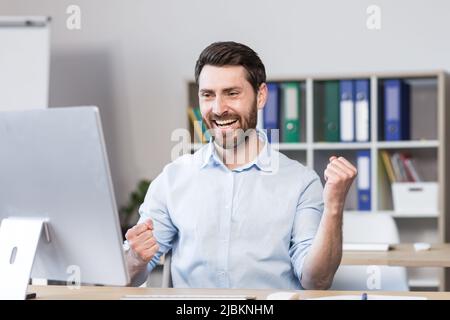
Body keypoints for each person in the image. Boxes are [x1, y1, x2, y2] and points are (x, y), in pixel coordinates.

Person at [124, 41, 357, 289]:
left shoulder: (301, 182)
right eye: (208, 95)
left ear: (261, 95)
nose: (218, 109)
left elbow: (316, 281)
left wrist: (334, 206)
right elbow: (131, 276)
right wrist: (136, 258)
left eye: (232, 93)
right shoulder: (172, 179)